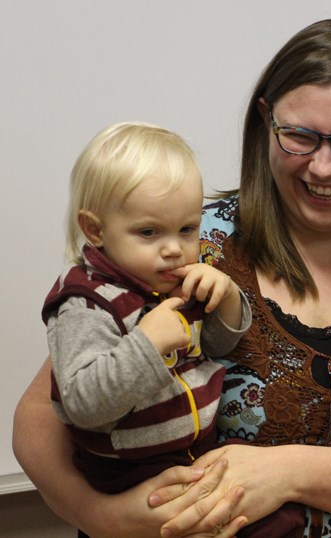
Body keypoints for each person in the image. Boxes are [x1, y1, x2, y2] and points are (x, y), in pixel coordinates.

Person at [13, 17, 331, 538]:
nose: (324, 168)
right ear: (266, 122)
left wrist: (285, 473)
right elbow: (44, 414)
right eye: (300, 137)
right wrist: (101, 518)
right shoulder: (186, 247)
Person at [43, 121, 251, 494]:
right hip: (130, 478)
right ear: (95, 230)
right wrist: (146, 345)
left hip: (195, 456)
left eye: (187, 229)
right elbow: (82, 403)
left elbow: (218, 346)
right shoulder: (86, 303)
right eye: (149, 233)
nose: (174, 248)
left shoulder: (172, 280)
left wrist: (229, 297)